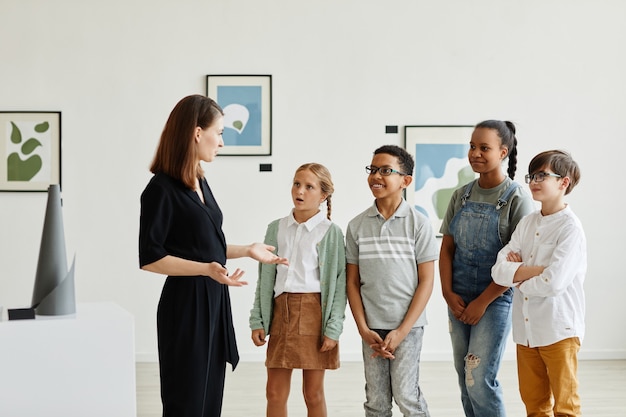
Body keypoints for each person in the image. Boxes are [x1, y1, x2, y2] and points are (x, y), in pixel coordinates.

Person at [138, 94, 288, 417]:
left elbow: (206, 247)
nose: (221, 142)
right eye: (218, 133)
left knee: (209, 403)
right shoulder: (160, 190)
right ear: (196, 133)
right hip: (186, 307)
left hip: (213, 300)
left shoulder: (200, 183)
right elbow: (151, 257)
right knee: (186, 403)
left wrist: (247, 250)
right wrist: (205, 269)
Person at [439, 120, 535, 417]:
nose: (475, 153)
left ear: (503, 152)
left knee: (479, 378)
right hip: (458, 297)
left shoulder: (516, 198)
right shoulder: (461, 195)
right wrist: (447, 293)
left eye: (484, 148)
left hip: (494, 300)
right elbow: (447, 249)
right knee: (464, 377)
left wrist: (482, 302)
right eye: (472, 146)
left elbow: (516, 264)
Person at [346, 145, 438, 417]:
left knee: (406, 395)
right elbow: (352, 283)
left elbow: (427, 282)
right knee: (376, 399)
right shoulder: (356, 226)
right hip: (371, 328)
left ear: (405, 181)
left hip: (407, 328)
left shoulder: (418, 224)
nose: (376, 175)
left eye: (386, 170)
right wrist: (363, 328)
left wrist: (402, 331)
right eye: (373, 169)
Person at [492, 150, 585, 417]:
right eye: (531, 175)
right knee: (535, 406)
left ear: (563, 182)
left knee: (566, 407)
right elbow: (498, 271)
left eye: (542, 175)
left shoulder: (570, 228)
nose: (533, 181)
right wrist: (533, 271)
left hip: (559, 330)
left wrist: (518, 278)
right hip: (527, 333)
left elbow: (553, 283)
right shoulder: (526, 222)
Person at [249, 162, 346, 417]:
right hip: (282, 313)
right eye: (296, 183)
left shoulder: (331, 233)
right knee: (274, 392)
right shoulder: (276, 228)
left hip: (315, 316)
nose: (299, 191)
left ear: (323, 195)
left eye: (309, 186)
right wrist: (258, 320)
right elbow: (265, 279)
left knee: (313, 394)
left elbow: (338, 285)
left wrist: (333, 328)